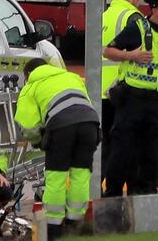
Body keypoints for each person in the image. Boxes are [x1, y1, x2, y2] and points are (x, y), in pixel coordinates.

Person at [102, 0, 158, 197]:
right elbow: (108, 50)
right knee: (123, 147)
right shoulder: (138, 28)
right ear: (155, 9)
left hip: (156, 99)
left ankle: (144, 190)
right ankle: (114, 191)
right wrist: (132, 55)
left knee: (151, 149)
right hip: (133, 98)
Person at [14, 59, 99, 240]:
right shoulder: (72, 77)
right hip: (89, 124)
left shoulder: (31, 86)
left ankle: (53, 228)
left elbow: (28, 127)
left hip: (61, 126)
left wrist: (39, 141)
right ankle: (75, 223)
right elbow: (84, 105)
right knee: (81, 174)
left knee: (56, 177)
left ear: (28, 74)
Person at [100, 0, 143, 182]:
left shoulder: (102, 16)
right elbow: (143, 52)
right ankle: (119, 184)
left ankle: (98, 185)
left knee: (104, 142)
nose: (138, 3)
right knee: (125, 141)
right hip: (122, 87)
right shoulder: (132, 17)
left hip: (99, 90)